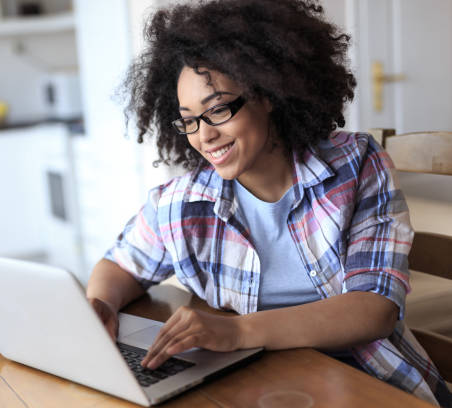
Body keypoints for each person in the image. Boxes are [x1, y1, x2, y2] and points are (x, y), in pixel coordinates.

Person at [85, 1, 452, 406]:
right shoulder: (183, 202)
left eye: (218, 109)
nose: (203, 136)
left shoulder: (357, 165)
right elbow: (120, 264)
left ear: (268, 93)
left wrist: (238, 332)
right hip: (258, 383)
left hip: (367, 382)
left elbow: (375, 309)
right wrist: (100, 306)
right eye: (188, 119)